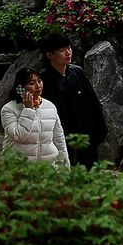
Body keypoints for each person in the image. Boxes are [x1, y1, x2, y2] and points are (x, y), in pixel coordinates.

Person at [36, 33, 106, 165]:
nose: (68, 53)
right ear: (50, 55)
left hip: (85, 134)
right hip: (58, 136)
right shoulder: (42, 78)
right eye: (62, 50)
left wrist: (99, 130)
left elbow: (93, 103)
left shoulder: (77, 72)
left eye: (69, 48)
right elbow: (20, 91)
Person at [0, 69, 70, 166]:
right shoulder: (9, 109)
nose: (38, 86)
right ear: (20, 88)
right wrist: (28, 109)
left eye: (40, 81)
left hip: (47, 167)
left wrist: (65, 167)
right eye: (32, 83)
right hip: (18, 166)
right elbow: (18, 136)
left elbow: (59, 139)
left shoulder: (50, 106)